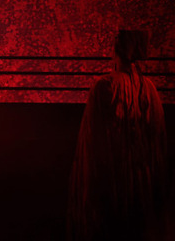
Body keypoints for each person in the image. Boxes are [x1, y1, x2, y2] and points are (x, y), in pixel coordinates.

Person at [67, 30, 168, 240]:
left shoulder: (105, 85)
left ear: (117, 49)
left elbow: (92, 139)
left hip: (113, 172)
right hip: (140, 175)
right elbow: (157, 139)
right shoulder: (149, 89)